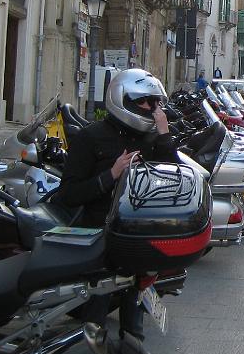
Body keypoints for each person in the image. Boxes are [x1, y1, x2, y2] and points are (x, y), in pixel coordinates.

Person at [58, 68, 176, 339]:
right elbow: (68, 194)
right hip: (102, 236)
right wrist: (110, 175)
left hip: (138, 236)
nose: (152, 108)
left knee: (134, 322)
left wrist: (164, 134)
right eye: (145, 102)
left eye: (156, 103)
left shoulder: (152, 138)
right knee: (95, 318)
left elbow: (172, 175)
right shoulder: (91, 137)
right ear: (124, 99)